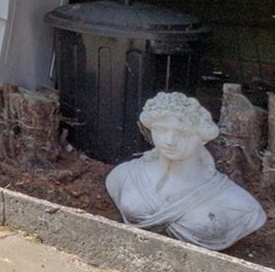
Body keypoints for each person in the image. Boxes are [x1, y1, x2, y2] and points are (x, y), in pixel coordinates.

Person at [106, 91, 265, 251]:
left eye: (183, 133)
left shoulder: (241, 205)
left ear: (202, 137)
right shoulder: (123, 176)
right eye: (160, 130)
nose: (170, 141)